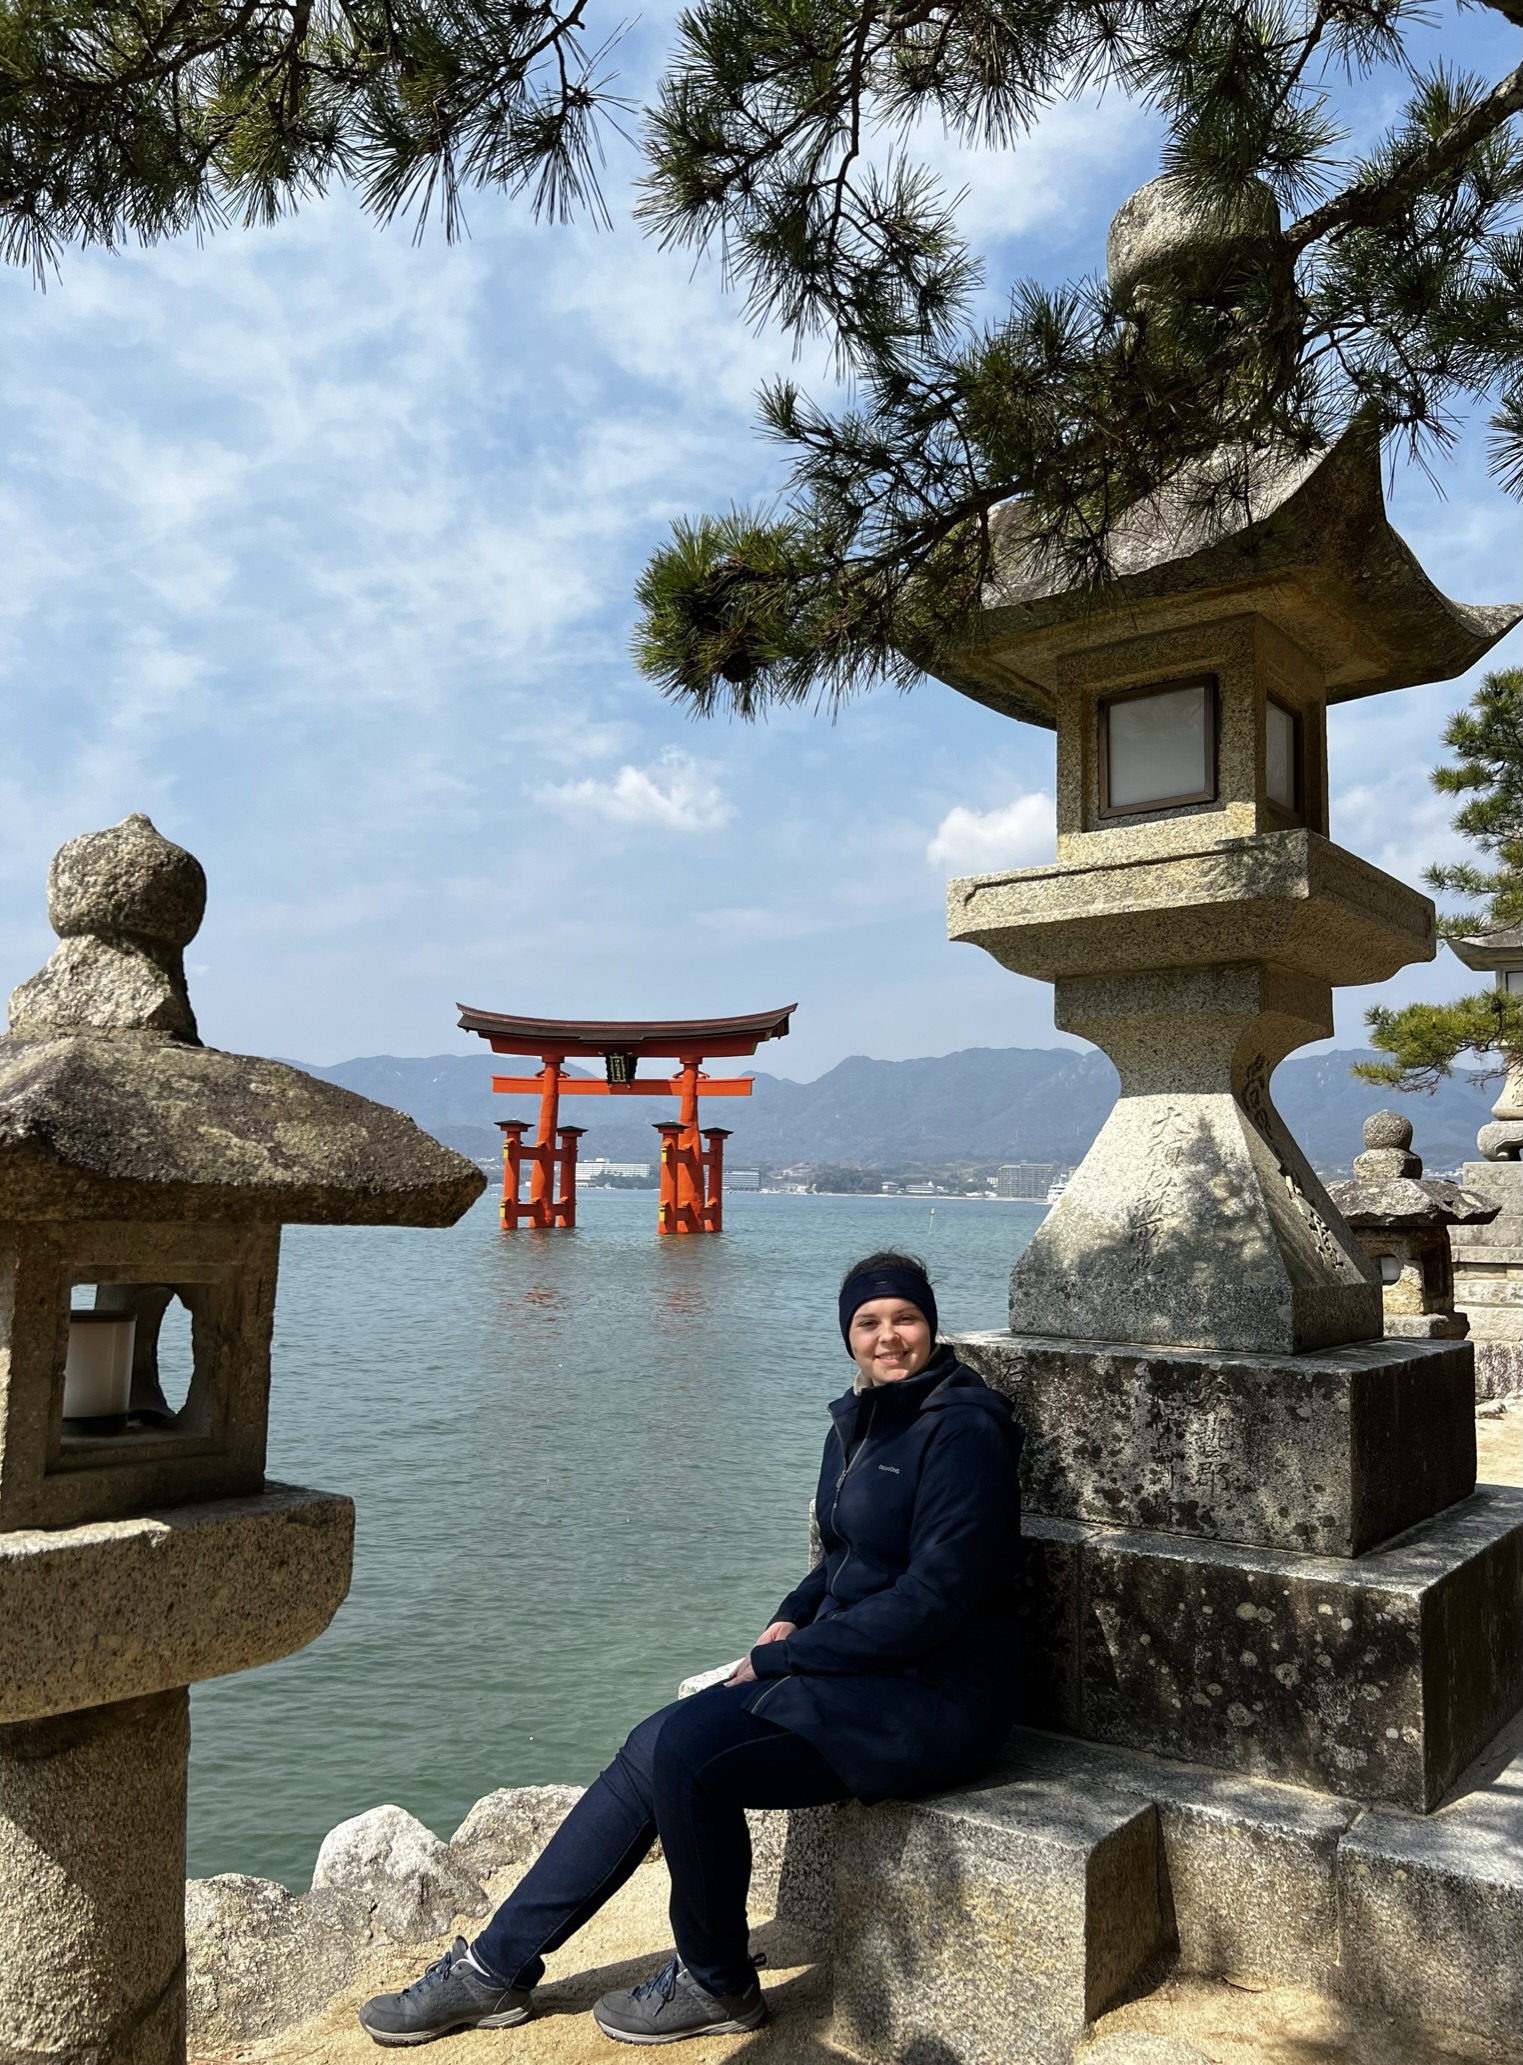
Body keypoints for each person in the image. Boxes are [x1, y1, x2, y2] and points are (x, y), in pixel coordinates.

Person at [358, 1249, 1024, 2048]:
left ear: (930, 1323)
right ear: (847, 1333)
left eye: (904, 1318)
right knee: (652, 1740)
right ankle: (491, 1970)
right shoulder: (861, 1418)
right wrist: (789, 1615)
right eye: (867, 1322)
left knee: (690, 1753)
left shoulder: (963, 1430)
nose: (888, 1337)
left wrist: (784, 1659)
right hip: (862, 1669)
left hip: (936, 1691)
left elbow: (933, 1599)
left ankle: (716, 1981)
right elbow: (843, 1557)